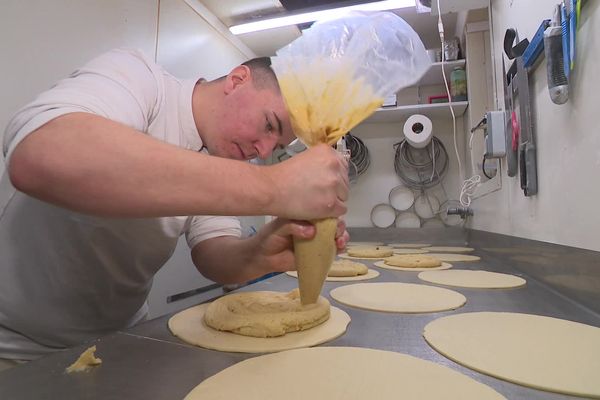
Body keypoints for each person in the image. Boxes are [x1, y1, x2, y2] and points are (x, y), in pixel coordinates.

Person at [0, 48, 349, 365]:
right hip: (18, 344)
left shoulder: (222, 159)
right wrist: (273, 186)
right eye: (269, 125)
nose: (263, 150)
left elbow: (215, 257)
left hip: (121, 342)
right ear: (237, 80)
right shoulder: (142, 80)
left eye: (276, 145)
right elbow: (44, 151)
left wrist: (263, 249)